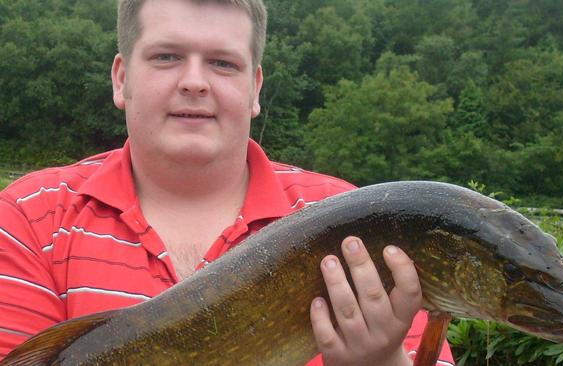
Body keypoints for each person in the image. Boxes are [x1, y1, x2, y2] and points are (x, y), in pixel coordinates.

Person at [0, 0, 455, 365]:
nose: (195, 82)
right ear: (122, 79)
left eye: (222, 63)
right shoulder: (26, 218)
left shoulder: (358, 217)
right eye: (167, 57)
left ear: (255, 89)